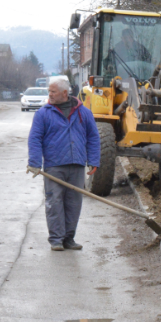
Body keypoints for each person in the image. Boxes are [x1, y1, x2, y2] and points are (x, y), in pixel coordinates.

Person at [27, 79, 101, 251]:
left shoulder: (84, 113)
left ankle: (69, 238)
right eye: (49, 91)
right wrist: (35, 163)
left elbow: (93, 137)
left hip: (77, 165)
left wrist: (94, 160)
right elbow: (35, 139)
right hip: (54, 166)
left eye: (53, 92)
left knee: (74, 203)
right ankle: (56, 239)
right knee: (54, 202)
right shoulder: (43, 114)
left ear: (64, 94)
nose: (50, 95)